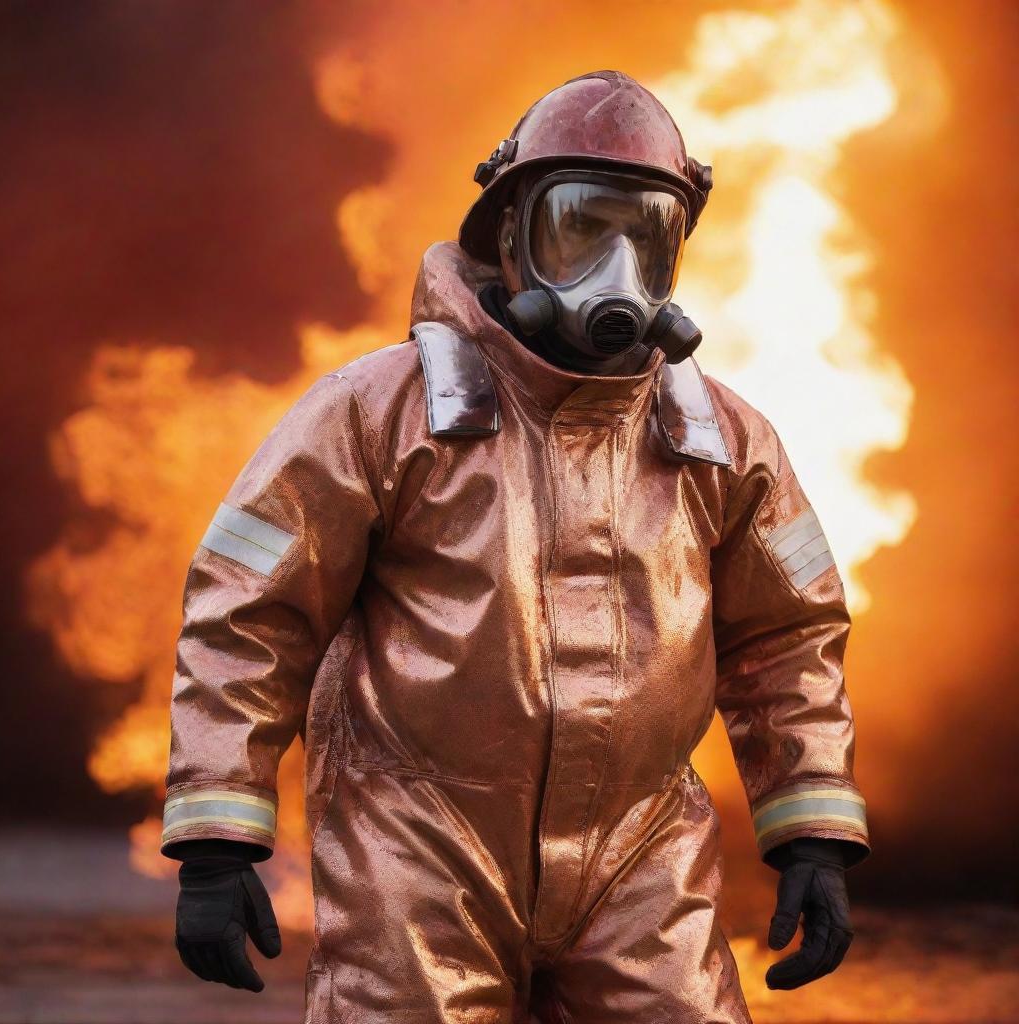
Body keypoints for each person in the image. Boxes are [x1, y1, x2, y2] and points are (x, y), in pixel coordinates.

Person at [162, 70, 869, 1022]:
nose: (612, 269)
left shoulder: (720, 443)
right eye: (580, 227)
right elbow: (249, 610)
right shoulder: (382, 413)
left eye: (644, 235)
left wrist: (812, 831)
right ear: (511, 234)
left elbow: (790, 637)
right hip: (416, 849)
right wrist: (217, 832)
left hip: (641, 853)